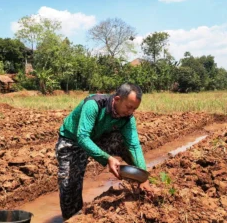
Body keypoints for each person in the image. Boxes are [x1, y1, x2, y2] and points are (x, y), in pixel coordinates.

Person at [55, 83, 153, 220]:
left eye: (134, 109)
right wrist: (108, 158)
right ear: (117, 99)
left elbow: (134, 145)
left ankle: (138, 181)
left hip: (98, 137)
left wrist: (144, 176)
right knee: (69, 185)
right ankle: (74, 218)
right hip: (73, 140)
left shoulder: (127, 118)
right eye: (129, 107)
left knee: (121, 141)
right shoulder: (94, 104)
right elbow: (82, 137)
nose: (130, 112)